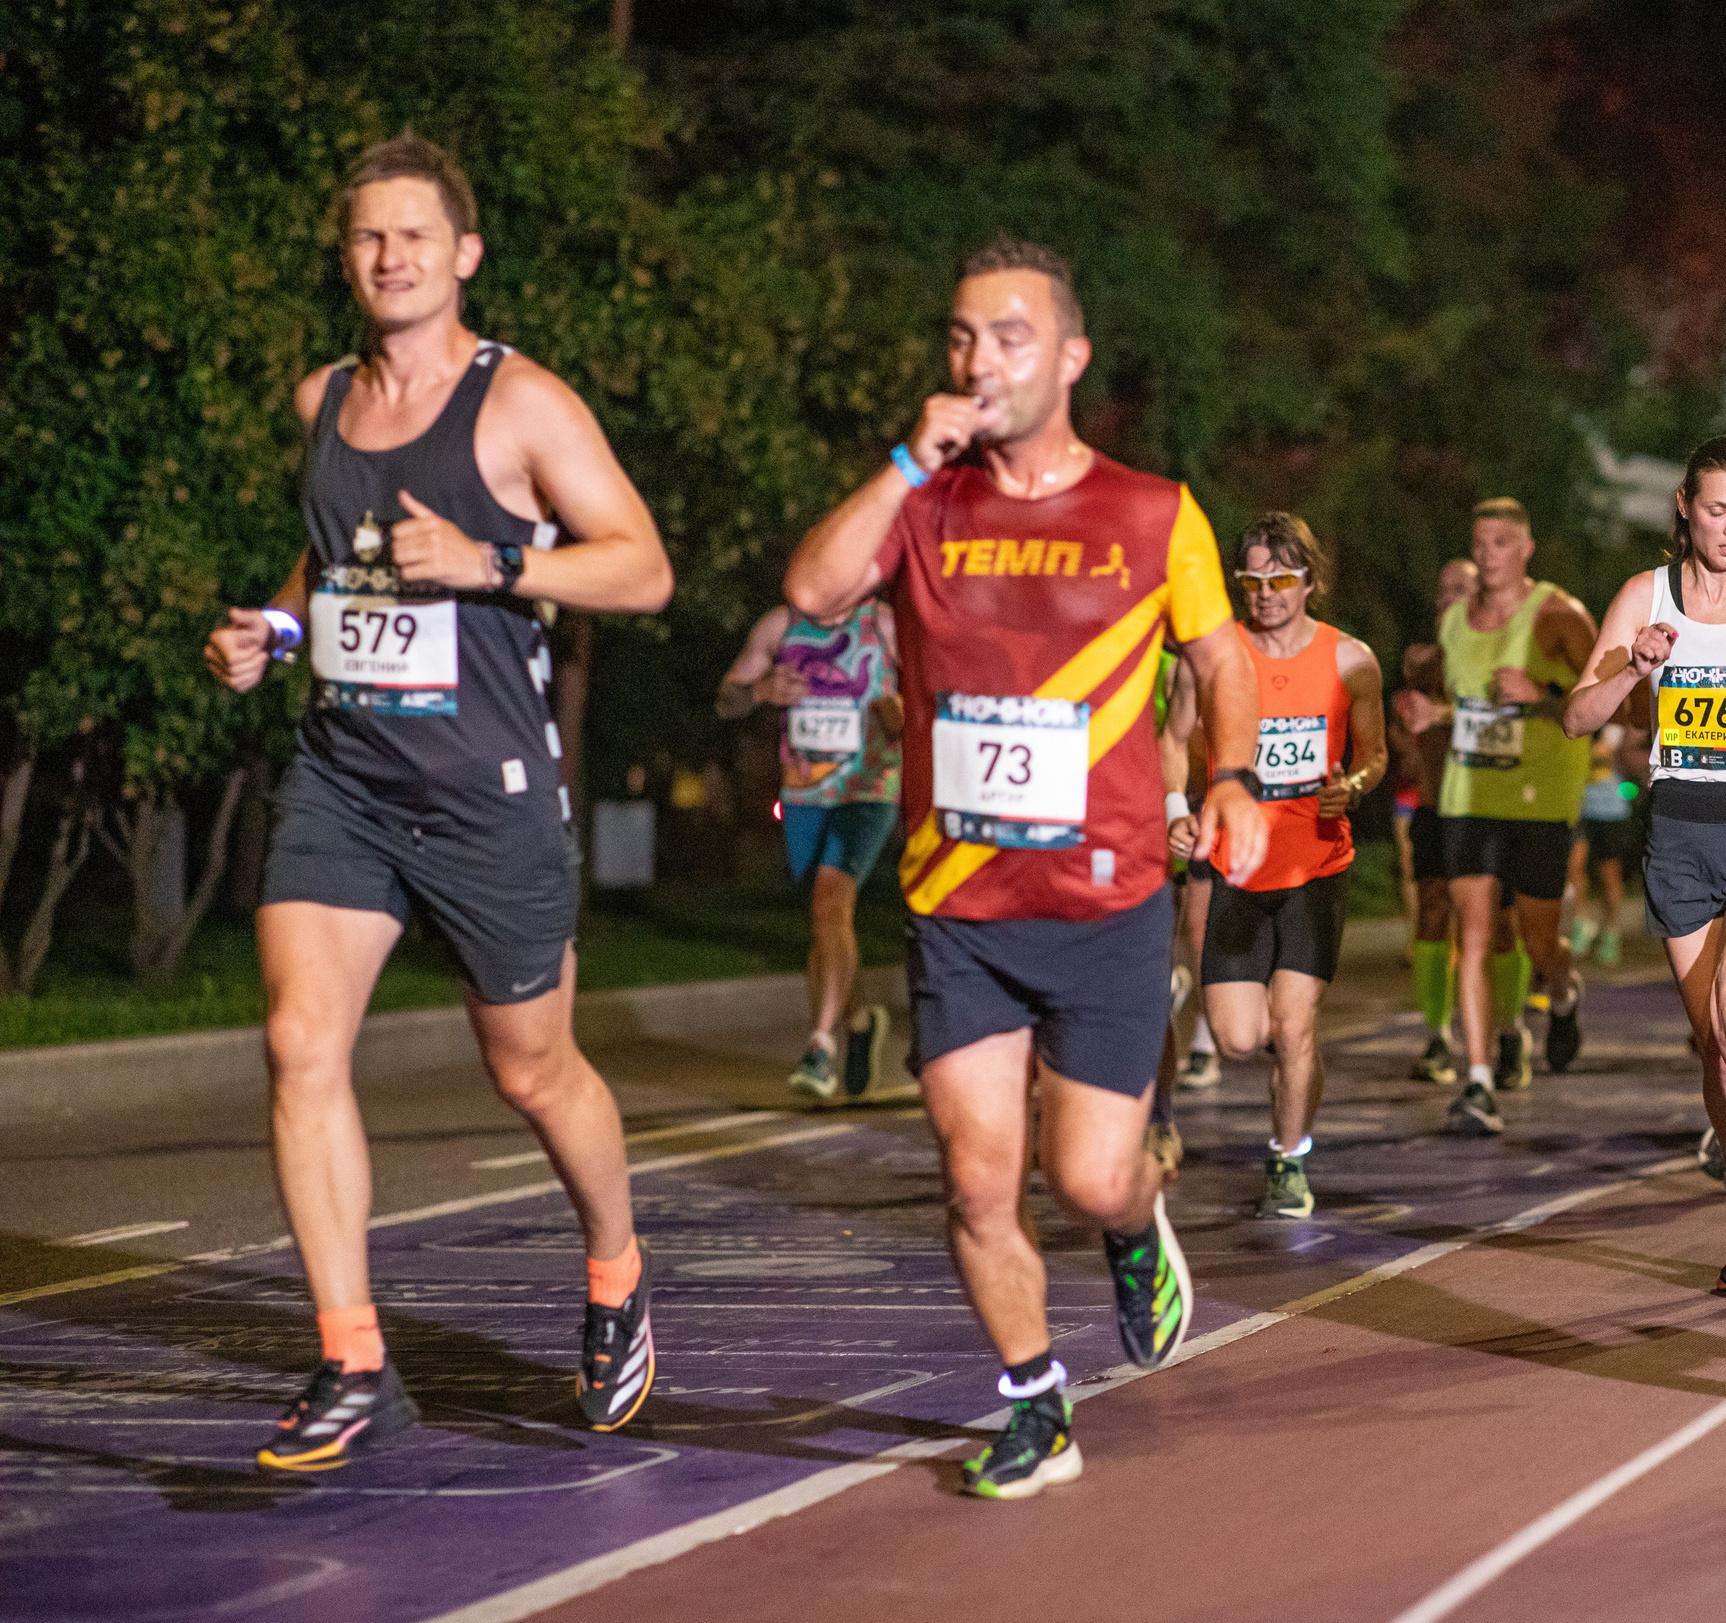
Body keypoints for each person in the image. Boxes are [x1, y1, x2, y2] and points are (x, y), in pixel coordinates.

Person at [203, 136, 675, 1470]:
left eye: (415, 235)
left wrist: (495, 557)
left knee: (531, 1068)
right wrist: (273, 635)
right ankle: (352, 1354)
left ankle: (616, 1265)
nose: (389, 255)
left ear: (464, 254)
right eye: (366, 237)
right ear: (345, 257)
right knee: (300, 1044)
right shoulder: (321, 399)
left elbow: (642, 569)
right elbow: (330, 562)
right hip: (345, 779)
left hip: (489, 794)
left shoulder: (521, 404)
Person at [782, 237, 1269, 1500]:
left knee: (1089, 1174)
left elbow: (1220, 664)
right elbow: (811, 592)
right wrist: (904, 460)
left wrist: (1227, 779)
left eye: (1007, 336)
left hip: (1107, 902)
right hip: (960, 907)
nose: (978, 358)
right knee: (974, 1176)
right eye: (960, 337)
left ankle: (1130, 1224)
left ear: (1069, 356)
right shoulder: (924, 506)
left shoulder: (1154, 511)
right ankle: (1033, 1402)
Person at [1567, 434, 1726, 1296]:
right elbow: (1577, 715)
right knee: (1714, 1045)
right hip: (1679, 836)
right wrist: (1631, 669)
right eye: (1719, 510)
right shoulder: (1646, 595)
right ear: (1684, 505)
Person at [1163, 514, 1387, 1219]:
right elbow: (1171, 739)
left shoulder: (1351, 659)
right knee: (1237, 1038)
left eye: (1281, 580)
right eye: (1252, 581)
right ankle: (1276, 1075)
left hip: (1316, 864)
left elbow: (1375, 754)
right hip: (1235, 866)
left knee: (1293, 1025)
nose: (1264, 594)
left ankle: (1289, 1157)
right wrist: (1175, 805)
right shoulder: (1210, 656)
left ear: (1310, 582)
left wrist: (1353, 784)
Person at [1397, 501, 1598, 1135]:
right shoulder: (1456, 621)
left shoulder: (1561, 617)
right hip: (1469, 795)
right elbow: (1473, 706)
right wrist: (1436, 716)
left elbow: (1616, 700)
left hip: (1541, 798)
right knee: (1474, 932)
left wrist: (1548, 695)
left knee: (1538, 939)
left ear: (1527, 548)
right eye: (1479, 542)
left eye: (1502, 542)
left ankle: (1562, 995)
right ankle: (1479, 1080)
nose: (1487, 555)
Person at [717, 601, 902, 1099]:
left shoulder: (882, 624)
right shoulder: (780, 626)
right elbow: (725, 699)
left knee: (830, 904)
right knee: (826, 922)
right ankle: (861, 1020)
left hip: (867, 791)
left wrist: (897, 712)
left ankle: (822, 1047)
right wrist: (759, 690)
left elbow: (932, 701)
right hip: (803, 796)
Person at [1396, 558, 1537, 1091]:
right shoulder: (1421, 660)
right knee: (1432, 916)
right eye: (1442, 589)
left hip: (1492, 807)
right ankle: (1437, 1036)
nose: (1449, 597)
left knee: (1501, 928)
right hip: (1436, 806)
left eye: (1462, 589)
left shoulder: (1503, 655)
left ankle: (1510, 1030)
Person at [1566, 719, 1640, 966]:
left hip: (1610, 808)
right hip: (1577, 803)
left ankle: (1610, 931)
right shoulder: (1577, 721)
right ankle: (1581, 923)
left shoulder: (1615, 727)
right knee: (1573, 867)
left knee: (1609, 873)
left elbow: (1631, 756)